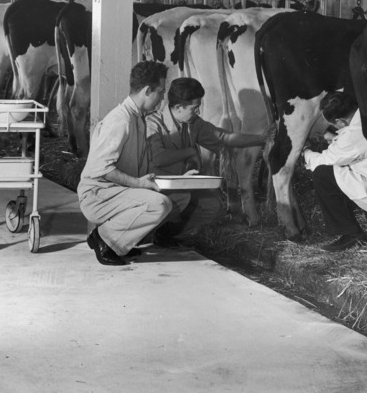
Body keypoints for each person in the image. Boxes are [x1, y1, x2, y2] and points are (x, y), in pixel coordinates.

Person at [146, 77, 269, 247]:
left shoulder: (193, 124)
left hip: (178, 186)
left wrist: (261, 138)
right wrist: (189, 151)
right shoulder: (153, 123)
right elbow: (158, 158)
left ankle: (165, 232)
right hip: (154, 188)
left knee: (212, 206)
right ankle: (150, 229)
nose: (198, 111)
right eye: (195, 108)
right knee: (178, 199)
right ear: (178, 107)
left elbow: (223, 137)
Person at [77, 61, 173, 266]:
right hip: (98, 196)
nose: (162, 97)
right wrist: (139, 183)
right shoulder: (120, 120)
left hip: (113, 192)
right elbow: (102, 168)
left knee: (174, 197)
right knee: (160, 204)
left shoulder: (136, 117)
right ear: (147, 90)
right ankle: (105, 239)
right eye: (161, 91)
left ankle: (119, 243)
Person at [302, 91, 367, 252]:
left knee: (322, 174)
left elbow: (323, 161)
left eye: (334, 124)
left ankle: (351, 233)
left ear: (340, 121)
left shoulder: (353, 134)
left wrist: (305, 150)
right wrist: (335, 137)